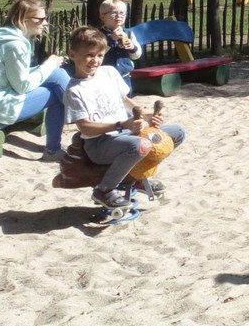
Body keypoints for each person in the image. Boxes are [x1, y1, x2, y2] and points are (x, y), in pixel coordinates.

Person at [63, 27, 186, 209]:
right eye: (89, 55)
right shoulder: (74, 90)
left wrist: (146, 115)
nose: (95, 60)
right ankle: (104, 190)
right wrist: (121, 125)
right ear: (72, 54)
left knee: (177, 132)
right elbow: (85, 127)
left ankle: (135, 175)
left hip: (127, 132)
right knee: (139, 145)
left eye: (100, 55)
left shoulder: (109, 72)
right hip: (100, 143)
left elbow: (125, 100)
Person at [0, 0, 72, 159]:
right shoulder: (15, 44)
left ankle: (82, 118)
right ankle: (63, 142)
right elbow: (22, 86)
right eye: (40, 19)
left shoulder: (2, 37)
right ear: (22, 20)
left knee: (57, 74)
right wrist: (49, 65)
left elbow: (16, 78)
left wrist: (49, 67)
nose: (45, 23)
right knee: (54, 91)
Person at [96, 0, 142, 88]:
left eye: (122, 13)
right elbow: (96, 53)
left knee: (126, 95)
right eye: (114, 13)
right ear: (102, 16)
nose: (118, 16)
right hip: (105, 76)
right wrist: (111, 40)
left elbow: (137, 55)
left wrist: (132, 48)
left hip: (124, 75)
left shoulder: (128, 33)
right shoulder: (98, 34)